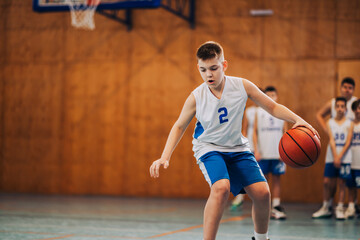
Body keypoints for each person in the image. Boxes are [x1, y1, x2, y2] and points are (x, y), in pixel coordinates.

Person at [149, 41, 319, 240]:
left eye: (214, 68)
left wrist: (298, 120)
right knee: (221, 188)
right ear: (198, 68)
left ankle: (261, 238)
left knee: (263, 193)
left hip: (237, 147)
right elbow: (179, 125)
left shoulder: (241, 86)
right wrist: (164, 156)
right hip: (209, 148)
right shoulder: (196, 97)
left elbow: (272, 107)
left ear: (224, 65)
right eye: (203, 70)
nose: (209, 74)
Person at [313, 78, 357, 219]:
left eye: (350, 87)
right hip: (333, 149)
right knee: (328, 181)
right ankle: (327, 206)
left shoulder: (356, 103)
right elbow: (319, 115)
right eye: (344, 87)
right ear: (341, 88)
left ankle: (347, 206)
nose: (347, 90)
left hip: (350, 148)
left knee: (346, 181)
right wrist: (328, 130)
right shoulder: (332, 104)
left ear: (353, 89)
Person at [253, 86, 288, 220]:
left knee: (277, 179)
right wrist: (256, 150)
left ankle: (276, 206)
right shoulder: (259, 111)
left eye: (273, 95)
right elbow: (255, 132)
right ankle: (265, 206)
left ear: (277, 96)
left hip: (277, 153)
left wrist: (284, 151)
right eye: (268, 95)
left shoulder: (281, 111)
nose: (271, 97)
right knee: (264, 181)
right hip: (263, 153)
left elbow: (285, 132)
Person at [230, 104, 257, 211]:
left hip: (263, 147)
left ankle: (261, 200)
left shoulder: (267, 111)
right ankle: (240, 196)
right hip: (250, 145)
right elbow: (244, 128)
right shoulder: (249, 111)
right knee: (244, 172)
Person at [345, 99, 360, 218]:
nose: (358, 111)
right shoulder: (349, 124)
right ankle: (351, 207)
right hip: (350, 160)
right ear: (353, 110)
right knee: (350, 186)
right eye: (356, 108)